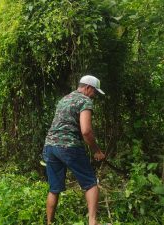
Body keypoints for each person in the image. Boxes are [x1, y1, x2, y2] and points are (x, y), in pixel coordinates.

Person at [43, 75, 106, 225]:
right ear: (88, 88)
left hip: (50, 146)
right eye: (95, 92)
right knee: (91, 183)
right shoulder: (85, 100)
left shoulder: (64, 99)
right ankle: (93, 222)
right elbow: (86, 131)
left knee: (54, 188)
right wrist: (96, 150)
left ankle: (49, 223)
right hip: (68, 146)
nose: (94, 96)